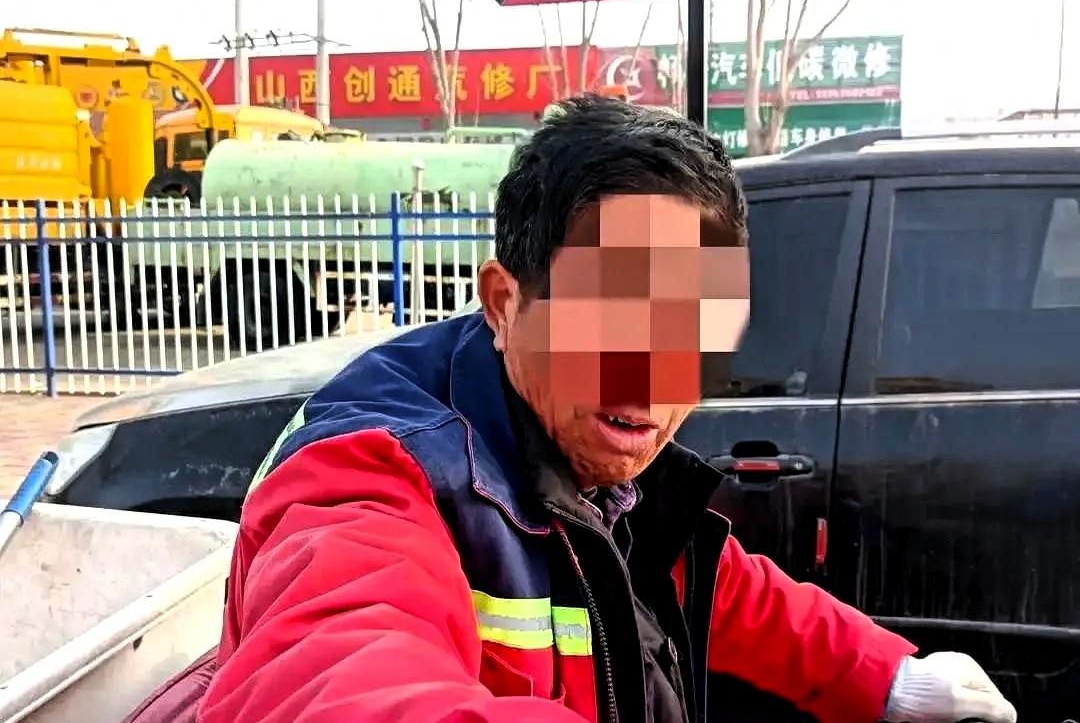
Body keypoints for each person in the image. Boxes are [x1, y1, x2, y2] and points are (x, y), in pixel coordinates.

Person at [196, 96, 1016, 723]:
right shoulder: (374, 471)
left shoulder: (590, 454)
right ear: (506, 302)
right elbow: (335, 673)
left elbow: (712, 585)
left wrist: (887, 675)